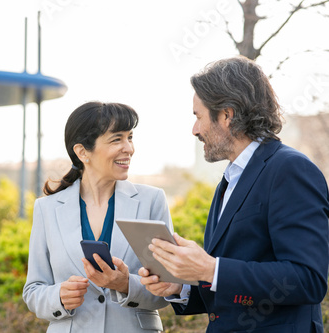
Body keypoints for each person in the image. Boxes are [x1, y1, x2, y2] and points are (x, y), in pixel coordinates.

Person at [139, 56, 329, 333]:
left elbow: (307, 280)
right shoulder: (230, 179)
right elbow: (232, 292)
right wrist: (181, 285)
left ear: (227, 115)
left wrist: (210, 269)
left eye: (198, 116)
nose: (195, 130)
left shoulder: (289, 169)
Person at [23, 101, 171, 332]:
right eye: (117, 139)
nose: (129, 148)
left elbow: (168, 288)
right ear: (82, 152)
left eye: (130, 137)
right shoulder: (47, 209)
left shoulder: (151, 201)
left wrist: (126, 285)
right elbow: (33, 291)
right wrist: (59, 296)